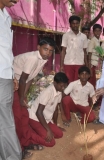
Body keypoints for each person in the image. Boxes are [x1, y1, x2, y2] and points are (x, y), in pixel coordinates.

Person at [13, 37, 56, 158]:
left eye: (51, 51)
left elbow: (30, 78)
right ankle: (19, 150)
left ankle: (26, 143)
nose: (48, 53)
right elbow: (22, 79)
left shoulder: (42, 59)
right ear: (38, 48)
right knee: (17, 118)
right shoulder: (33, 58)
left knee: (24, 116)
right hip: (11, 85)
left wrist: (24, 96)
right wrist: (21, 98)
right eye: (45, 49)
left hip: (19, 87)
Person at [0, 0, 22, 159]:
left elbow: (6, 50)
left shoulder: (7, 16)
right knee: (5, 118)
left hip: (5, 74)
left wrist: (12, 74)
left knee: (5, 117)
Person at [28, 72, 68, 147]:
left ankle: (39, 131)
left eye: (64, 86)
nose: (63, 88)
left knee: (59, 134)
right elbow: (38, 113)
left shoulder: (59, 91)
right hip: (35, 118)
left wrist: (55, 126)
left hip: (45, 119)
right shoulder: (47, 92)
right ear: (55, 83)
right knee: (51, 143)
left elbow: (55, 110)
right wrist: (48, 130)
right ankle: (30, 135)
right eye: (61, 86)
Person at [61, 15, 88, 82]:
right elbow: (63, 51)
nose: (75, 25)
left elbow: (85, 52)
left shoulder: (84, 37)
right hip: (68, 63)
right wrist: (61, 65)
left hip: (80, 63)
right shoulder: (66, 36)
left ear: (79, 24)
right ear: (70, 24)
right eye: (73, 23)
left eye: (77, 23)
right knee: (68, 83)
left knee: (78, 84)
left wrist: (86, 66)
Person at [87, 24, 102, 88]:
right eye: (96, 31)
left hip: (95, 65)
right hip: (91, 65)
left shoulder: (98, 40)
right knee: (91, 83)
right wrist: (89, 67)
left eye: (99, 31)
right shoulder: (92, 40)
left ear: (101, 32)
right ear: (93, 32)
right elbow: (89, 53)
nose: (97, 32)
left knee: (93, 82)